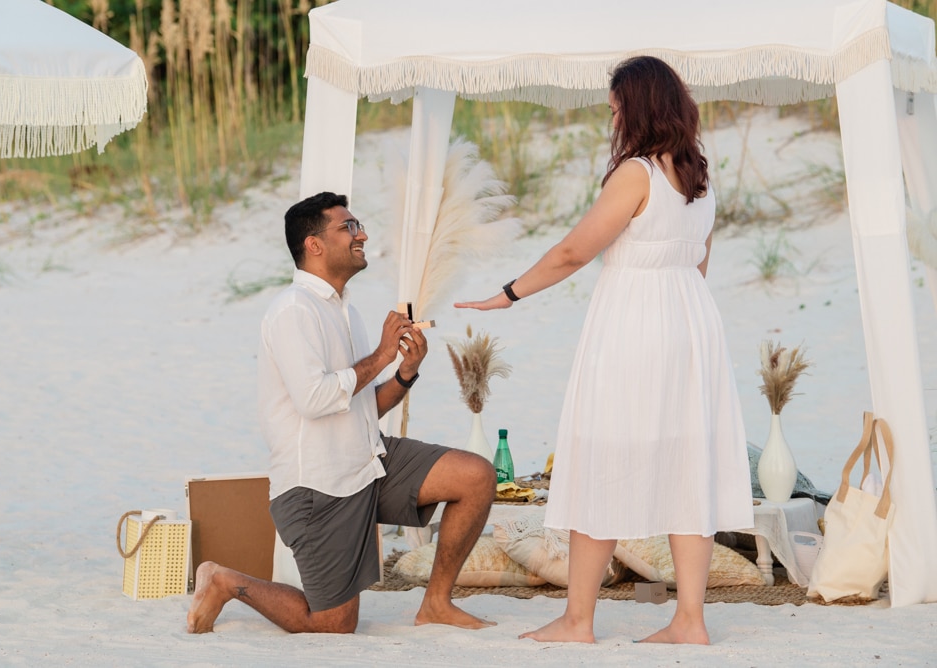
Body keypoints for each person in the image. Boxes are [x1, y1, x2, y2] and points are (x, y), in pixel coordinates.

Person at [455, 56, 753, 645]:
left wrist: (509, 294)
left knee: (600, 459)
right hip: (691, 323)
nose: (611, 113)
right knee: (685, 462)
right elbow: (700, 262)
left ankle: (577, 620)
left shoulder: (636, 173)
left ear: (637, 105)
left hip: (634, 328)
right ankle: (690, 621)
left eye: (616, 103)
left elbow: (574, 252)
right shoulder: (698, 175)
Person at [188, 192, 497, 635]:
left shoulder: (346, 311)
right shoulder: (292, 311)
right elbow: (314, 400)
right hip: (317, 486)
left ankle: (436, 603)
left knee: (475, 476)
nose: (362, 234)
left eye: (359, 225)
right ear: (313, 245)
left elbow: (362, 407)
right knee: (334, 625)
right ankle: (224, 580)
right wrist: (381, 355)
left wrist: (405, 373)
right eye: (348, 227)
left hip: (368, 461)